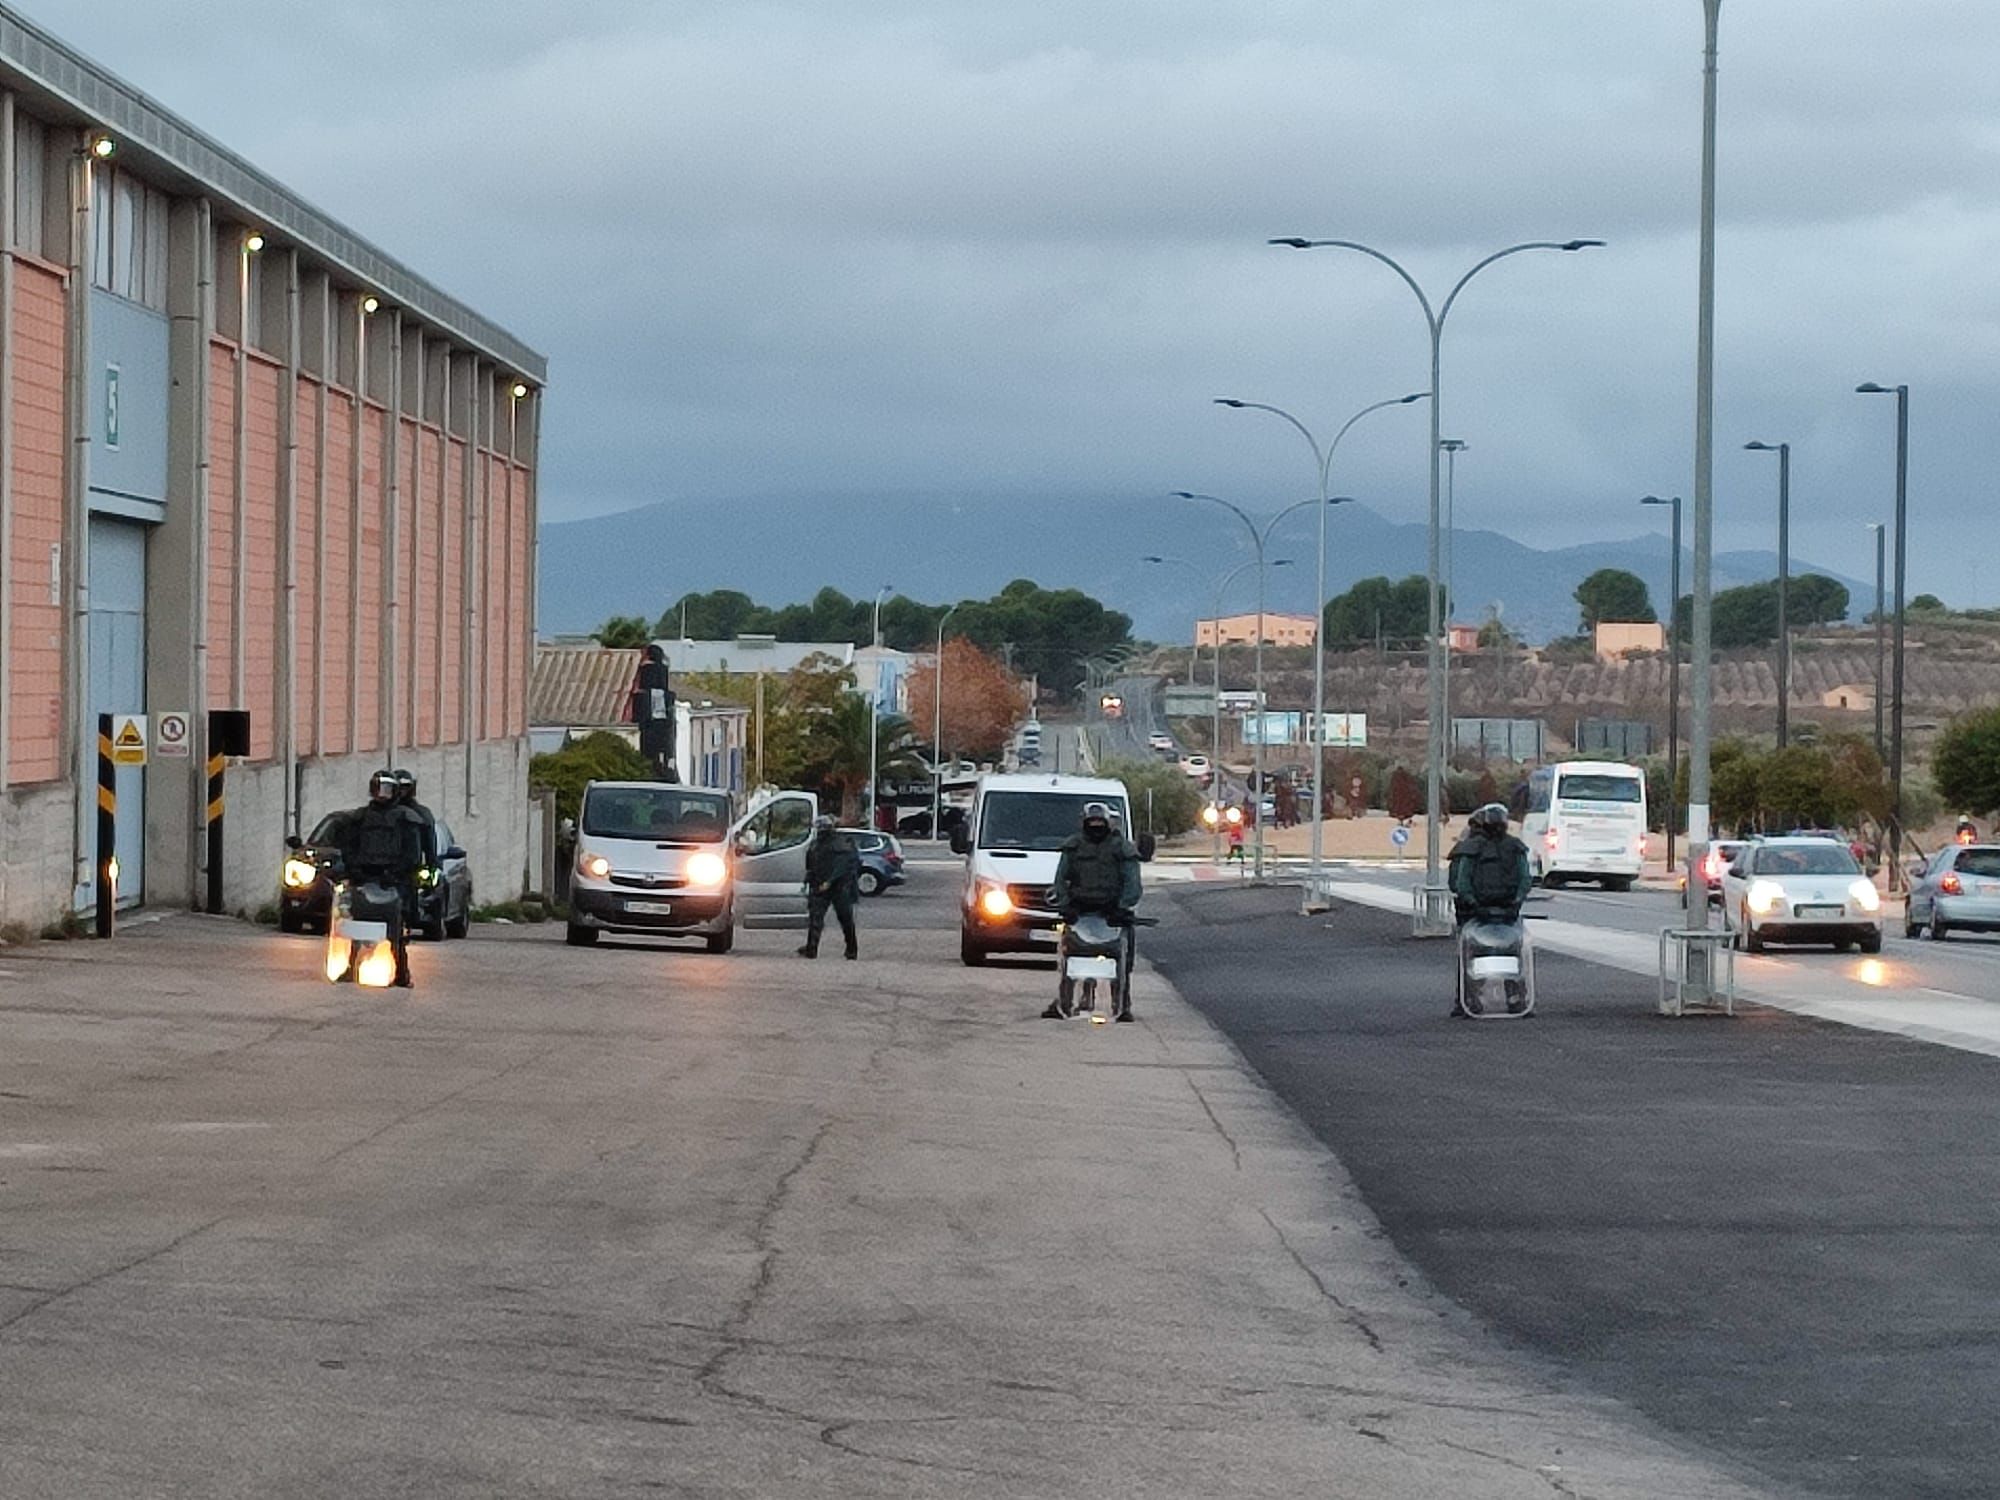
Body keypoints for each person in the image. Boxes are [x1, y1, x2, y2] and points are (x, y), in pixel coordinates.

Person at [1044, 801, 1143, 1022]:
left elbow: (1133, 883)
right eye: (1092, 822)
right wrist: (1066, 905)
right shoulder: (1073, 846)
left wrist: (1122, 907)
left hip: (1113, 915)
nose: (1096, 826)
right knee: (1067, 956)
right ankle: (1065, 1002)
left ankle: (1123, 1005)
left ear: (1108, 823)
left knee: (1123, 963)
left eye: (1100, 822)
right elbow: (1060, 880)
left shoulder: (1123, 848)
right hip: (1080, 912)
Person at [335, 768, 425, 987]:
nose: (381, 794)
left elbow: (413, 854)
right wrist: (355, 869)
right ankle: (350, 967)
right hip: (365, 880)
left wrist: (395, 873)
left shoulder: (406, 818)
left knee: (396, 929)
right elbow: (348, 846)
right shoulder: (359, 818)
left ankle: (401, 972)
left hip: (394, 881)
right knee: (354, 923)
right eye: (378, 788)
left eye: (386, 789)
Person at [1451, 802, 1532, 925]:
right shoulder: (1515, 846)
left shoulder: (1469, 846)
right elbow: (1525, 879)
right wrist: (1517, 901)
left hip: (1476, 910)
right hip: (1506, 908)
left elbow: (1460, 882)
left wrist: (1471, 902)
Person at [799, 815, 861, 960]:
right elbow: (811, 866)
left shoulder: (841, 844)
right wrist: (808, 880)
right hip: (819, 885)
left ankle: (852, 949)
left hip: (839, 887)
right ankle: (811, 949)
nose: (819, 831)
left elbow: (843, 865)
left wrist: (830, 882)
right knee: (815, 919)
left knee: (846, 919)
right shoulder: (816, 845)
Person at [391, 768, 440, 935]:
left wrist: (432, 865)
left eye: (405, 788)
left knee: (409, 897)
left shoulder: (421, 814)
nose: (402, 792)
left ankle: (406, 924)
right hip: (382, 866)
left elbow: (429, 843)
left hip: (408, 868)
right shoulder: (378, 812)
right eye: (398, 788)